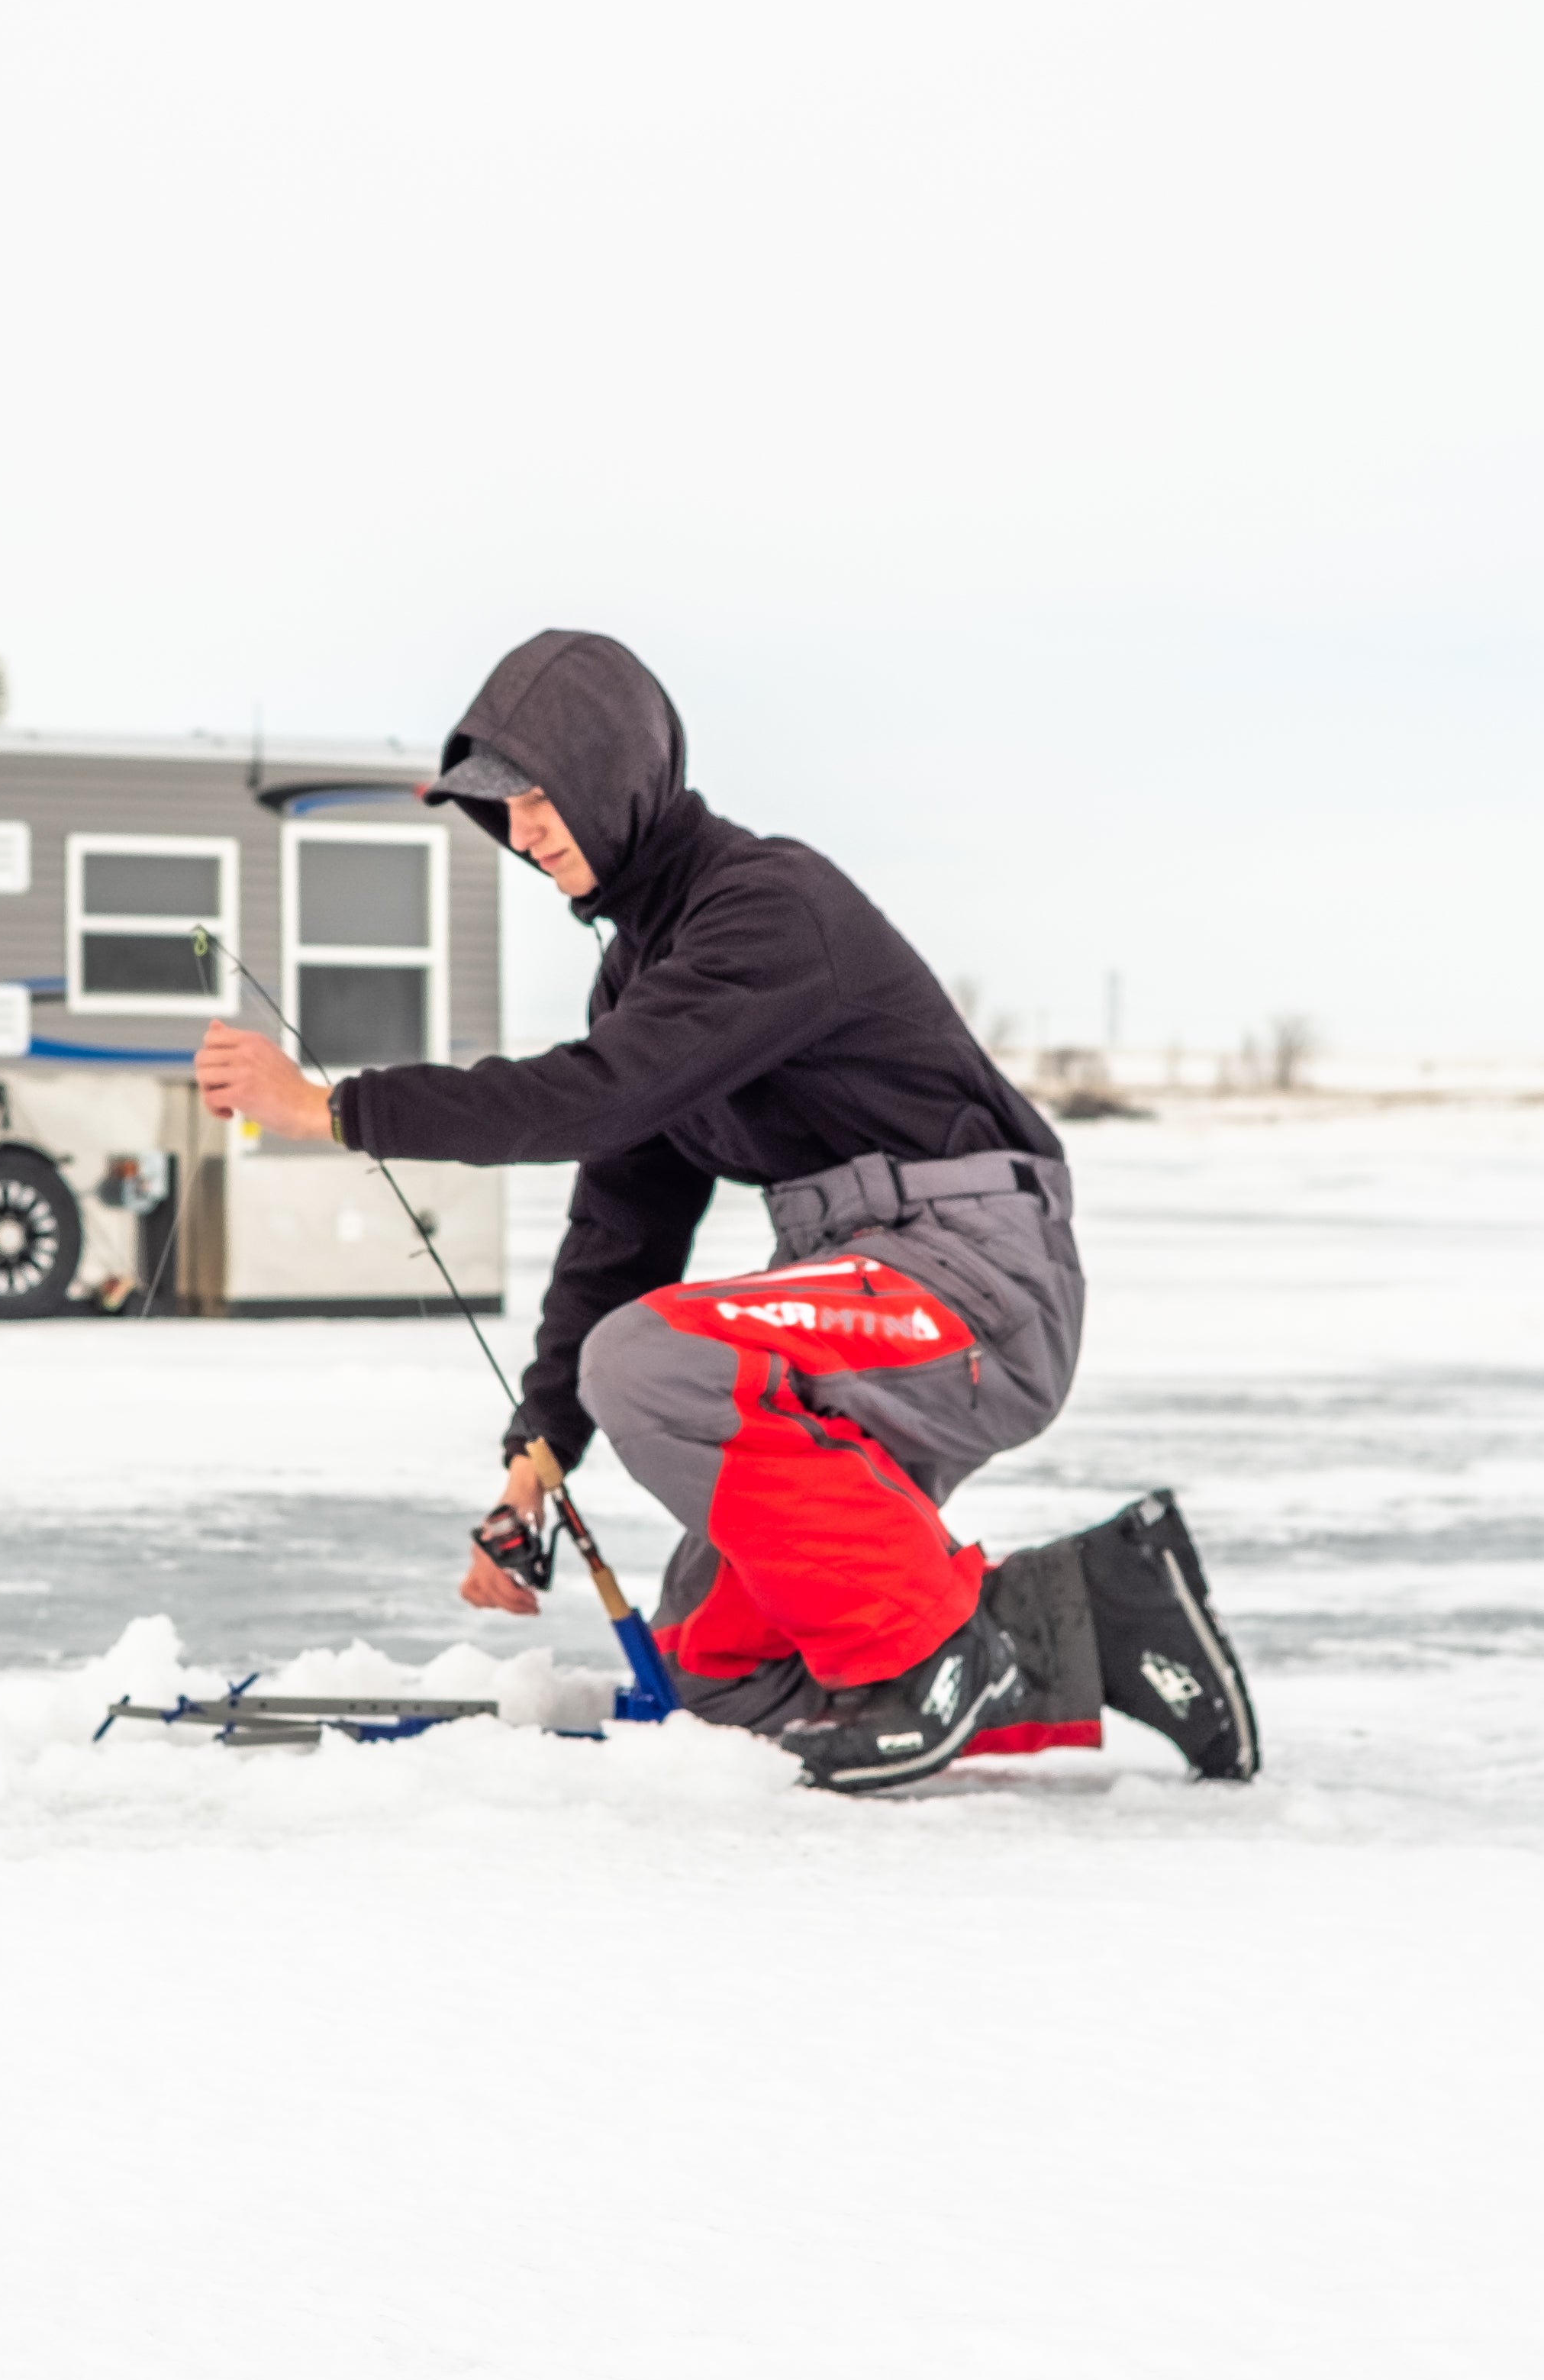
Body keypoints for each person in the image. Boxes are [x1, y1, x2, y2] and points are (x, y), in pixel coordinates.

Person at [196, 630, 1256, 1791]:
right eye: (503, 807)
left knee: (646, 1360)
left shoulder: (764, 908)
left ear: (619, 778)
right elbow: (621, 1227)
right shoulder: (638, 977)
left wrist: (330, 1109)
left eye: (543, 795)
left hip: (973, 1278)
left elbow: (587, 1096)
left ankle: (938, 1651)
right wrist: (536, 1459)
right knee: (723, 1673)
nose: (526, 829)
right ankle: (1107, 1617)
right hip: (856, 1288)